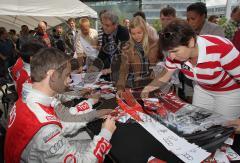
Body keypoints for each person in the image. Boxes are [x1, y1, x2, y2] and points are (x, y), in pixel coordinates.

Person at [4, 48, 116, 162]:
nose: (69, 80)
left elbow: (62, 122)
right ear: (52, 75)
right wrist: (105, 134)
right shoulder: (46, 130)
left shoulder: (29, 98)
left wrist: (90, 106)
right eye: (67, 75)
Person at [141, 19, 240, 119]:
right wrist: (148, 87)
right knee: (199, 123)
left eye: (175, 51)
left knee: (225, 126)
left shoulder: (222, 48)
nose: (171, 57)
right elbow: (166, 74)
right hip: (203, 89)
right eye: (169, 52)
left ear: (191, 42)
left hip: (229, 93)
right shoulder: (174, 53)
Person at [116, 16, 159, 91]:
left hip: (151, 86)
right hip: (133, 86)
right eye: (133, 33)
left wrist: (155, 71)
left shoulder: (154, 45)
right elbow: (123, 71)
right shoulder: (127, 49)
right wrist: (120, 88)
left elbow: (161, 65)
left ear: (144, 31)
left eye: (139, 32)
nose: (136, 36)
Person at [98, 10, 130, 81]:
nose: (104, 27)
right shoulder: (105, 34)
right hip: (110, 72)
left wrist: (111, 69)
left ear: (115, 25)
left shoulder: (123, 32)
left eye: (107, 25)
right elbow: (102, 53)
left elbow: (125, 56)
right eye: (103, 24)